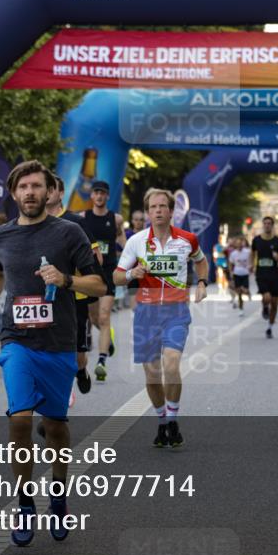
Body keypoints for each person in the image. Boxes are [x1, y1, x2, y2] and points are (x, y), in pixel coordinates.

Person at [0, 160, 105, 546]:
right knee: (19, 419)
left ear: (49, 192)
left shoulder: (69, 233)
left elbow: (98, 283)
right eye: (23, 187)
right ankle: (25, 502)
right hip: (17, 341)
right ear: (14, 193)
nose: (30, 192)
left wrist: (65, 280)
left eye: (37, 186)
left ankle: (59, 496)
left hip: (58, 342)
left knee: (56, 426)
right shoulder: (2, 235)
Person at [115, 187, 207, 448]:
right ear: (147, 212)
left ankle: (174, 420)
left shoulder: (188, 239)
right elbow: (116, 276)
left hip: (176, 311)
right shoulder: (137, 242)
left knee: (171, 365)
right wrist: (132, 274)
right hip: (146, 313)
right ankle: (162, 420)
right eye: (153, 207)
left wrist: (201, 282)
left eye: (162, 206)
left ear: (171, 210)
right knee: (152, 375)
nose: (158, 211)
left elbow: (201, 261)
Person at [46, 174, 101, 396]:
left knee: (76, 351)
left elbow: (95, 257)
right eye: (44, 188)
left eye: (52, 189)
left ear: (61, 193)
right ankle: (58, 397)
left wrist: (76, 274)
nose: (47, 193)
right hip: (44, 296)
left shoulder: (76, 222)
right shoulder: (33, 222)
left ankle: (81, 369)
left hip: (73, 295)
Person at [81, 180, 126, 381]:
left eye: (103, 193)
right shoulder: (83, 218)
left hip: (108, 273)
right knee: (94, 318)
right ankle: (108, 341)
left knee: (104, 316)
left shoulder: (116, 219)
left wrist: (132, 258)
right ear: (91, 196)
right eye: (96, 193)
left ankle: (101, 362)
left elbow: (123, 241)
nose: (99, 196)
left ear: (108, 196)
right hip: (89, 273)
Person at [251, 216, 278, 338]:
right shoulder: (256, 240)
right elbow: (253, 253)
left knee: (275, 304)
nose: (267, 225)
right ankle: (265, 307)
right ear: (263, 225)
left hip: (274, 274)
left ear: (272, 225)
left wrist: (277, 257)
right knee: (266, 297)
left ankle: (270, 327)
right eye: (265, 223)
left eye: (269, 223)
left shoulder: (277, 241)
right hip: (261, 273)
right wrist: (252, 265)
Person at [229, 236, 251, 316]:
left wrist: (251, 267)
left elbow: (252, 260)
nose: (239, 245)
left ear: (243, 243)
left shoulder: (248, 252)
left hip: (245, 274)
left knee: (245, 290)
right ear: (236, 245)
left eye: (241, 243)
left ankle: (247, 292)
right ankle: (241, 308)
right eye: (238, 243)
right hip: (237, 274)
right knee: (239, 293)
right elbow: (231, 264)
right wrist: (231, 273)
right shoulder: (233, 254)